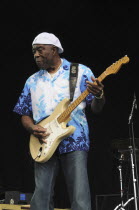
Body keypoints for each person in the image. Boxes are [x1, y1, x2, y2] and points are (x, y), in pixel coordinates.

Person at [13, 32, 105, 210]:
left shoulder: (80, 72)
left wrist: (99, 95)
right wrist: (32, 128)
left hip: (75, 139)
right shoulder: (32, 81)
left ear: (54, 50)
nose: (36, 55)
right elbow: (23, 113)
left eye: (40, 50)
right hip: (44, 141)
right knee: (41, 199)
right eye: (34, 52)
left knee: (80, 197)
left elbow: (96, 107)